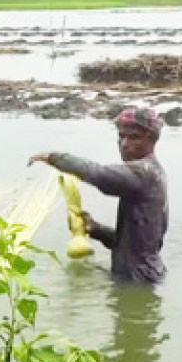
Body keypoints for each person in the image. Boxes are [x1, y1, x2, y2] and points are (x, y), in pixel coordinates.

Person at [29, 107, 168, 283]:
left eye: (133, 137)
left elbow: (100, 175)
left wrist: (53, 157)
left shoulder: (144, 173)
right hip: (144, 275)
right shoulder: (155, 174)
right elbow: (139, 245)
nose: (124, 144)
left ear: (151, 139)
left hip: (138, 281)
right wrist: (96, 230)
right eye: (121, 136)